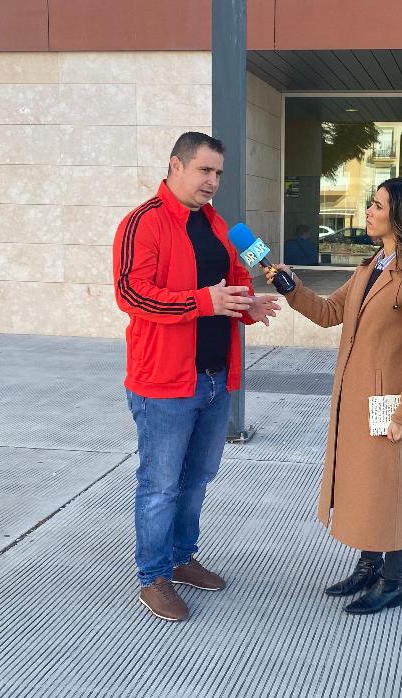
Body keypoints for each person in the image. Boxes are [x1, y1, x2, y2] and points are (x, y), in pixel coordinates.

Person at [112, 131, 280, 623]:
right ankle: (153, 577)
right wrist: (202, 301)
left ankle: (182, 559)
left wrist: (248, 304)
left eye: (219, 173)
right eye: (205, 170)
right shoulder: (142, 223)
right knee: (161, 484)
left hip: (213, 378)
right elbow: (131, 294)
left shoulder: (219, 225)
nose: (212, 181)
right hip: (164, 382)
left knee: (197, 480)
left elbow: (239, 279)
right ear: (176, 166)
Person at [267, 177, 402, 615]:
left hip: (388, 405)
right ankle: (368, 565)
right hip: (352, 398)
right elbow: (328, 314)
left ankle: (393, 580)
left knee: (390, 490)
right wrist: (292, 288)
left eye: (377, 205)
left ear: (399, 216)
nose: (368, 210)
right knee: (363, 486)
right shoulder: (369, 268)